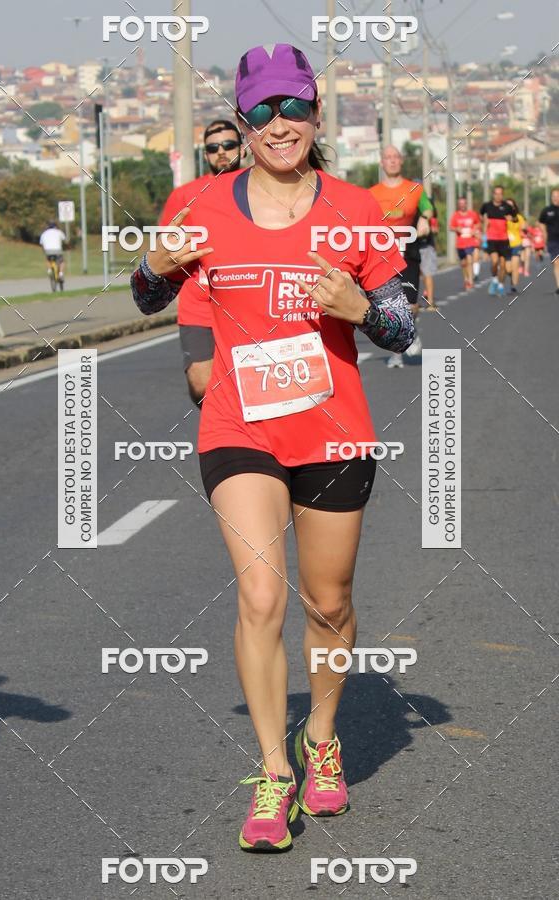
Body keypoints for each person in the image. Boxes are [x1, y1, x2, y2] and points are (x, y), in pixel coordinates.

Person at [130, 43, 414, 852]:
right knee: (261, 596)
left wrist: (361, 308)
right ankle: (273, 769)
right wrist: (151, 265)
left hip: (332, 430)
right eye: (261, 111)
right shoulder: (199, 203)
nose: (279, 124)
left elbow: (402, 327)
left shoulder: (355, 209)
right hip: (239, 427)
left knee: (329, 603)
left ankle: (321, 740)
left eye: (293, 107)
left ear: (316, 115)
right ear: (242, 121)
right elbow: (147, 295)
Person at [159, 120, 246, 403]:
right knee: (201, 385)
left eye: (229, 145)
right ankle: (219, 422)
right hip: (200, 303)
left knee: (251, 384)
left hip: (249, 299)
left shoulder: (261, 188)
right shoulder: (184, 196)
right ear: (205, 154)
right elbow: (165, 249)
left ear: (242, 148)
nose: (221, 152)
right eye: (213, 148)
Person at [369, 145, 433, 367]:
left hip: (408, 253)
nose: (392, 160)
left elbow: (428, 208)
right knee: (387, 306)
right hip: (381, 255)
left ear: (401, 161)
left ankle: (411, 331)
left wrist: (424, 218)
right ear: (382, 163)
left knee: (410, 305)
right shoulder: (372, 193)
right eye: (388, 157)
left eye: (396, 157)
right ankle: (396, 353)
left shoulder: (415, 189)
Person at [480, 186, 512, 296]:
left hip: (504, 239)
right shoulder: (487, 206)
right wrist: (484, 222)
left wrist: (511, 219)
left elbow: (514, 218)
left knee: (503, 265)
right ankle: (494, 279)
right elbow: (481, 216)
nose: (498, 196)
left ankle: (501, 285)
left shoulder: (507, 206)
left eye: (500, 194)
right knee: (494, 261)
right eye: (496, 194)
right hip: (492, 238)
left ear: (503, 195)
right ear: (493, 194)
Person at [449, 196, 480, 290]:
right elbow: (451, 227)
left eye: (464, 203)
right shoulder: (455, 215)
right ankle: (466, 279)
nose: (462, 205)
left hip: (470, 241)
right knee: (463, 263)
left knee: (469, 260)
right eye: (460, 204)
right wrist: (456, 229)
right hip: (460, 243)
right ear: (458, 205)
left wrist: (474, 229)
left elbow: (478, 223)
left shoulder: (472, 214)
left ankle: (470, 281)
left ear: (466, 204)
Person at [418, 195, 439, 310]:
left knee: (427, 272)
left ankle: (430, 301)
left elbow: (432, 229)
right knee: (418, 273)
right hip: (412, 245)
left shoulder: (428, 209)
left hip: (425, 245)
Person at [539, 188, 559, 294]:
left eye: (558, 196)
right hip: (553, 240)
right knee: (556, 262)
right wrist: (544, 233)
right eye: (554, 196)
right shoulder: (547, 210)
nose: (556, 198)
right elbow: (541, 222)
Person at [504, 198, 527, 293]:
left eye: (511, 205)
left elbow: (524, 227)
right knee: (507, 268)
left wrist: (524, 228)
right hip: (505, 244)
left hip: (516, 244)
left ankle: (513, 285)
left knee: (515, 265)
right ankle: (512, 276)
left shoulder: (519, 217)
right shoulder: (501, 216)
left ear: (514, 207)